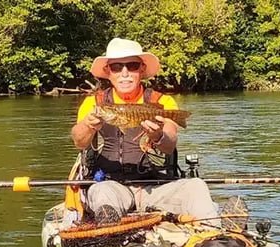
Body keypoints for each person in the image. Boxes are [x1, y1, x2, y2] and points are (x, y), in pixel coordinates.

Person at [70, 38, 220, 224]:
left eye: (132, 66)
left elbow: (170, 143)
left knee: (196, 186)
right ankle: (110, 236)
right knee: (101, 192)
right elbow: (79, 141)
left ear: (141, 69)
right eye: (117, 67)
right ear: (108, 71)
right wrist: (88, 125)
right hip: (113, 186)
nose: (125, 73)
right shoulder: (95, 102)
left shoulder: (162, 102)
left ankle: (215, 237)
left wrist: (157, 135)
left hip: (157, 187)